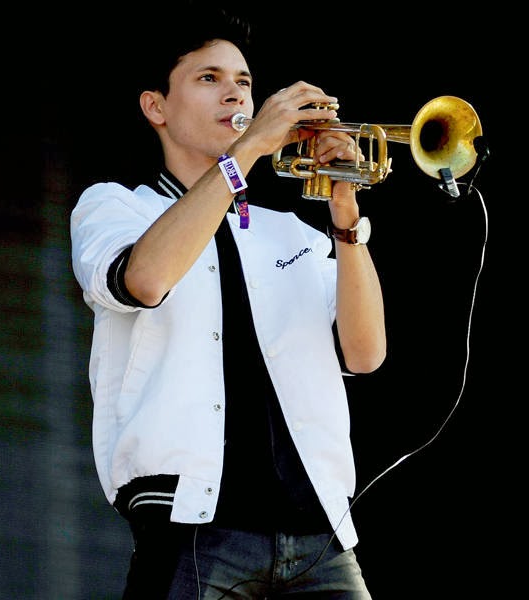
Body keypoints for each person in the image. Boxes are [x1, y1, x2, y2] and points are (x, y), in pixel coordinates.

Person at [70, 3, 386, 598]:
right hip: (192, 527)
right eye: (208, 79)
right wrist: (247, 151)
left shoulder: (291, 232)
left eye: (243, 82)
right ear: (155, 107)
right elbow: (144, 280)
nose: (234, 96)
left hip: (318, 534)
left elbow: (365, 354)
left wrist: (345, 215)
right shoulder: (116, 207)